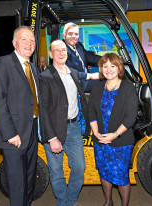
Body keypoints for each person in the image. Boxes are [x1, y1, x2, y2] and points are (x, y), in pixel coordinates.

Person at [0, 26, 43, 206]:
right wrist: (10, 133)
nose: (29, 43)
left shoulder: (33, 69)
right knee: (17, 183)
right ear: (14, 43)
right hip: (14, 135)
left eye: (32, 40)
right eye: (24, 39)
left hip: (32, 132)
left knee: (29, 179)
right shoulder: (2, 63)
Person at [39, 39, 90, 206]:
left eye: (63, 50)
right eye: (57, 50)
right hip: (54, 130)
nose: (61, 53)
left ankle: (71, 199)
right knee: (56, 172)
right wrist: (52, 137)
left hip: (74, 128)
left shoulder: (74, 73)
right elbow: (43, 110)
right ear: (51, 54)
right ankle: (63, 202)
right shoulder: (45, 76)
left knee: (79, 168)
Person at [88, 53, 138, 206]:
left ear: (119, 68)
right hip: (101, 140)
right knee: (104, 172)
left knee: (121, 176)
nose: (109, 69)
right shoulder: (97, 88)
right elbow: (91, 111)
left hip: (121, 142)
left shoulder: (128, 88)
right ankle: (108, 201)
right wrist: (96, 132)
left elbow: (131, 117)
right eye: (105, 66)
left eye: (112, 66)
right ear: (101, 69)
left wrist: (114, 135)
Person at [62, 22, 101, 92]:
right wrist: (89, 76)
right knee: (105, 83)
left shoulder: (79, 45)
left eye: (76, 34)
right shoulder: (61, 49)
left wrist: (108, 59)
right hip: (77, 83)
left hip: (85, 76)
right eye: (70, 34)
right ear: (64, 36)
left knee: (108, 74)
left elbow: (91, 57)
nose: (73, 36)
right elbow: (66, 72)